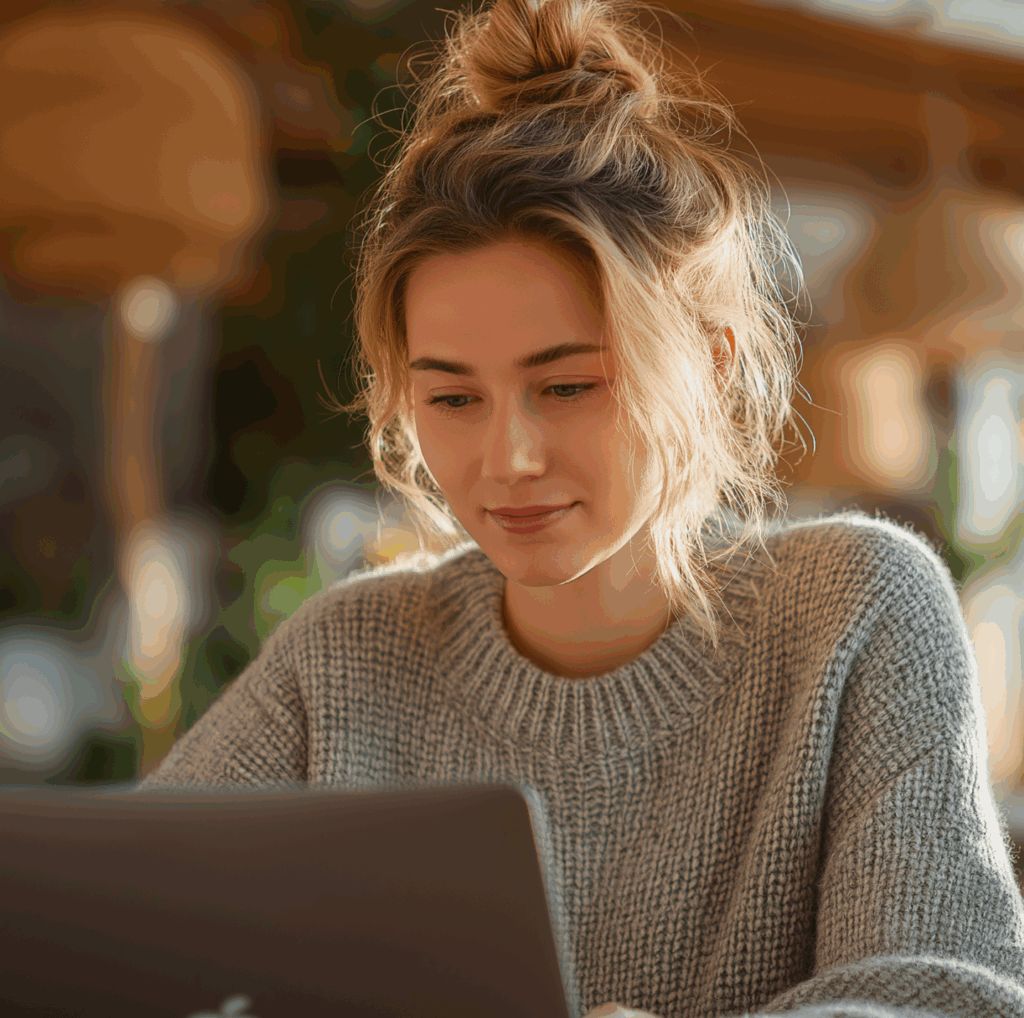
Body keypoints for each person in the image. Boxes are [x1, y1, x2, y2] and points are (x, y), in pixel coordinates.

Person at [140, 1, 1024, 1016]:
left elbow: (946, 993)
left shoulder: (856, 609)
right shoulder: (347, 656)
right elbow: (118, 931)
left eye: (567, 386)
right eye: (453, 398)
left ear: (708, 365)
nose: (506, 458)